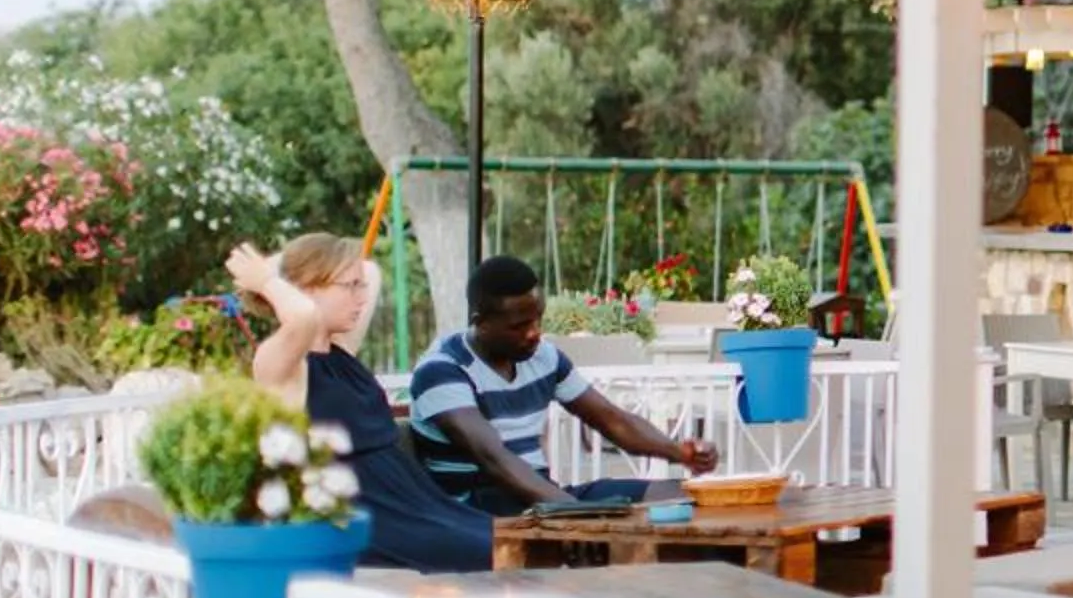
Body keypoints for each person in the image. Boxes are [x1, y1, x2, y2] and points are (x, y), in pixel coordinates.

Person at [230, 235, 495, 572]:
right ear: (308, 290)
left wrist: (277, 270)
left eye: (360, 286)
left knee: (509, 539)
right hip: (366, 513)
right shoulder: (282, 363)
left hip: (412, 500)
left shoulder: (340, 348)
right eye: (350, 286)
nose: (362, 295)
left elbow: (370, 271)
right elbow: (301, 318)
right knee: (486, 550)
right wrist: (267, 281)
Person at [409, 256, 720, 514]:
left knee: (685, 497)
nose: (534, 333)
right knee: (610, 520)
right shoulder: (443, 370)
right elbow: (494, 459)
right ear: (480, 321)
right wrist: (577, 512)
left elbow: (612, 419)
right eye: (519, 326)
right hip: (478, 509)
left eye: (538, 319)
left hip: (542, 498)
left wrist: (680, 453)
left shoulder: (542, 357)